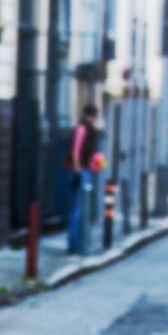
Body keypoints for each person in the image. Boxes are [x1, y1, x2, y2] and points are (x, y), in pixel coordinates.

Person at [66, 105, 102, 255]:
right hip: (82, 171)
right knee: (79, 208)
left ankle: (78, 241)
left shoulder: (86, 129)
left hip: (85, 169)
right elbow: (75, 151)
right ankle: (74, 243)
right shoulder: (82, 129)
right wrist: (78, 169)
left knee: (80, 207)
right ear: (92, 115)